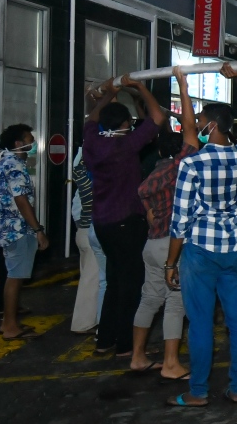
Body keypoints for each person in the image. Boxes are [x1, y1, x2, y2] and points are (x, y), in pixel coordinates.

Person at [164, 64, 237, 408]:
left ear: (211, 126)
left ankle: (198, 391)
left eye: (200, 121)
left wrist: (170, 263)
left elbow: (180, 221)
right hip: (234, 248)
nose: (196, 126)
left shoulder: (192, 164)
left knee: (201, 323)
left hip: (200, 252)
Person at [83, 77, 166, 356]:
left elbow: (92, 120)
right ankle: (125, 344)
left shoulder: (92, 142)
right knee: (131, 284)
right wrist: (139, 87)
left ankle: (105, 340)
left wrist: (108, 95)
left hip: (101, 222)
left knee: (114, 281)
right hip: (127, 222)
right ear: (125, 124)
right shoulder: (125, 145)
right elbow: (157, 118)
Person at [131, 72, 200, 379]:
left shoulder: (151, 178)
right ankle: (171, 363)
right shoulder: (181, 167)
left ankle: (137, 356)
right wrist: (183, 88)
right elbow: (190, 128)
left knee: (149, 298)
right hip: (173, 245)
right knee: (175, 303)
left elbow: (144, 200)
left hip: (151, 244)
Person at [0, 124, 47, 340]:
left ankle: (8, 322)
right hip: (19, 230)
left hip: (5, 229)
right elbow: (21, 200)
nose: (33, 143)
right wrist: (37, 229)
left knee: (13, 275)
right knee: (15, 277)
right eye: (29, 139)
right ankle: (10, 325)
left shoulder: (0, 165)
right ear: (18, 143)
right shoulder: (16, 167)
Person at [69, 148, 106, 334]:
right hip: (91, 231)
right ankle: (83, 324)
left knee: (90, 277)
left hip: (82, 230)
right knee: (92, 280)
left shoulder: (81, 175)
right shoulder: (93, 181)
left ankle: (88, 321)